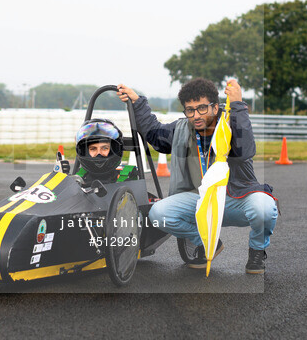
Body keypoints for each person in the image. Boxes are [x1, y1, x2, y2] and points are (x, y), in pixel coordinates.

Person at [117, 78, 278, 274]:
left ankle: (257, 250)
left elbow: (245, 150)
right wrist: (137, 102)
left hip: (236, 198)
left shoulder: (230, 124)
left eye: (202, 108)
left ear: (215, 106)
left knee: (265, 208)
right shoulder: (182, 129)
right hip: (199, 199)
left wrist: (237, 105)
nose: (196, 115)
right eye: (190, 110)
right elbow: (154, 134)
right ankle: (207, 242)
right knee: (159, 214)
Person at [74, 118, 124, 184]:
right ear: (84, 151)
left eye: (104, 148)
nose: (99, 153)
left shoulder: (129, 180)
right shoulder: (75, 181)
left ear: (114, 149)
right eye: (93, 149)